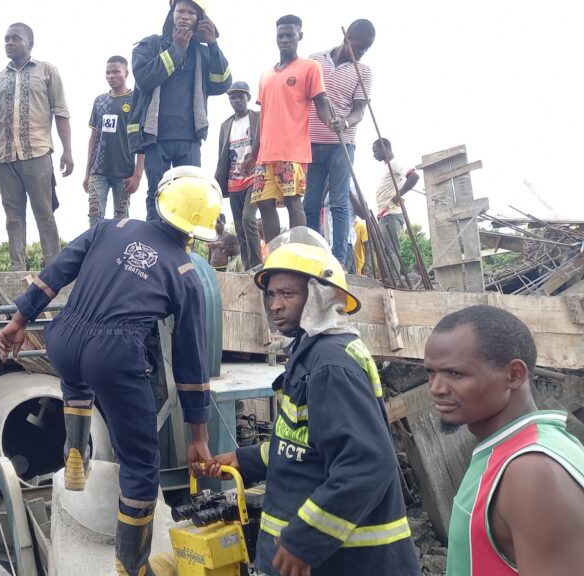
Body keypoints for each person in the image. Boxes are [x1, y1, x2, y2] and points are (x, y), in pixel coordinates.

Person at [0, 166, 221, 575]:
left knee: (76, 381)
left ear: (162, 202)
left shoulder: (111, 226)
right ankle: (130, 565)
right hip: (115, 353)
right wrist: (199, 435)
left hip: (64, 336)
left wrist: (19, 318)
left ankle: (76, 449)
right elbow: (191, 361)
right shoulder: (187, 274)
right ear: (197, 231)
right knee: (140, 465)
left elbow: (59, 269)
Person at [201, 228, 420, 576]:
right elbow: (303, 443)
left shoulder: (331, 364)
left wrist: (306, 539)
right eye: (271, 294)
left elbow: (365, 464)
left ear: (319, 296)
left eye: (287, 293)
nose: (275, 305)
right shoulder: (311, 352)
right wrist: (243, 459)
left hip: (344, 562)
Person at [424, 305, 584, 575]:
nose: (436, 388)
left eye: (455, 374)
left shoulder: (531, 470)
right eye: (430, 372)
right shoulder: (519, 450)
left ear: (514, 375)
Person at [0, 22, 73, 271]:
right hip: (5, 157)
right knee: (13, 217)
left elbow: (61, 112)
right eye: (6, 39)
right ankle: (17, 267)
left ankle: (54, 266)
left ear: (30, 44)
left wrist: (67, 151)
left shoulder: (47, 71)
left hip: (37, 153)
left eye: (15, 38)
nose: (9, 43)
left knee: (44, 212)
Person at [128, 0, 232, 222]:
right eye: (180, 11)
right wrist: (177, 50)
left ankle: (183, 250)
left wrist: (213, 45)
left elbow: (222, 84)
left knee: (190, 195)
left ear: (199, 20)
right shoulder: (150, 45)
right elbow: (144, 79)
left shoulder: (203, 53)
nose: (185, 16)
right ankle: (155, 249)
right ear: (172, 14)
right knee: (158, 192)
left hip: (190, 137)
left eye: (191, 13)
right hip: (157, 137)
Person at [250, 15, 335, 244]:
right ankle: (275, 255)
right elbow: (262, 116)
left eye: (290, 35)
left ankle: (298, 252)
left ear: (300, 36)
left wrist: (332, 122)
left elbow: (321, 103)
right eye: (280, 36)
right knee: (264, 203)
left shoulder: (309, 68)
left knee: (292, 202)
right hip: (265, 154)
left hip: (292, 151)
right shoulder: (266, 75)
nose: (284, 40)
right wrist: (254, 149)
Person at [303, 19, 376, 263]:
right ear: (347, 39)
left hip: (342, 145)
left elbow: (359, 111)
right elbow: (303, 97)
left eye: (367, 49)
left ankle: (339, 260)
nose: (362, 53)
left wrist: (344, 122)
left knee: (339, 202)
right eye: (359, 47)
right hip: (311, 143)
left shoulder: (363, 71)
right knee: (310, 204)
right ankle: (313, 255)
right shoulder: (314, 59)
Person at [83, 55, 144, 228]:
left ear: (126, 73)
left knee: (121, 221)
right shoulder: (99, 101)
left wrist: (138, 174)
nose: (111, 76)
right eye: (108, 72)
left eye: (116, 72)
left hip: (124, 171)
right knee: (95, 217)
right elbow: (93, 138)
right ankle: (96, 252)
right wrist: (87, 172)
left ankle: (116, 252)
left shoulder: (135, 100)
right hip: (98, 170)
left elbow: (142, 138)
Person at [213, 80, 262, 269]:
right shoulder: (226, 125)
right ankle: (247, 266)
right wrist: (218, 182)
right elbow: (221, 155)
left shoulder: (257, 118)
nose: (236, 101)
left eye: (240, 97)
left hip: (254, 176)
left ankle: (258, 264)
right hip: (233, 180)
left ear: (248, 98)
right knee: (239, 226)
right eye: (233, 98)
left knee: (249, 219)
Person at [372, 138, 419, 276]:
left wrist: (398, 195)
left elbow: (414, 177)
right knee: (386, 249)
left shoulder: (395, 163)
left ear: (384, 148)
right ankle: (392, 277)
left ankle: (395, 278)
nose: (374, 155)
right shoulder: (387, 166)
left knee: (391, 249)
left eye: (375, 151)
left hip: (391, 213)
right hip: (385, 214)